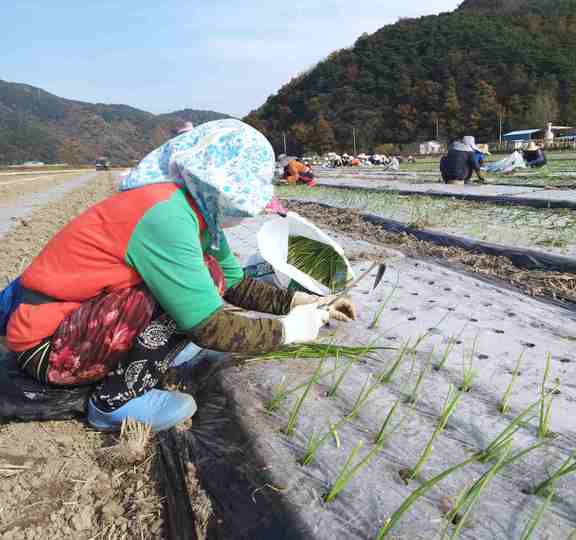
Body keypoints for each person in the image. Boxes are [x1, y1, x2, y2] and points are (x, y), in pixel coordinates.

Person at [1, 119, 356, 432]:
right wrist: (289, 331)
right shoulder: (166, 216)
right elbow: (208, 326)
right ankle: (113, 403)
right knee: (188, 292)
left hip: (76, 324)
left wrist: (303, 301)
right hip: (48, 347)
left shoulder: (195, 213)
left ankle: (144, 358)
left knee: (210, 275)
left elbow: (235, 283)